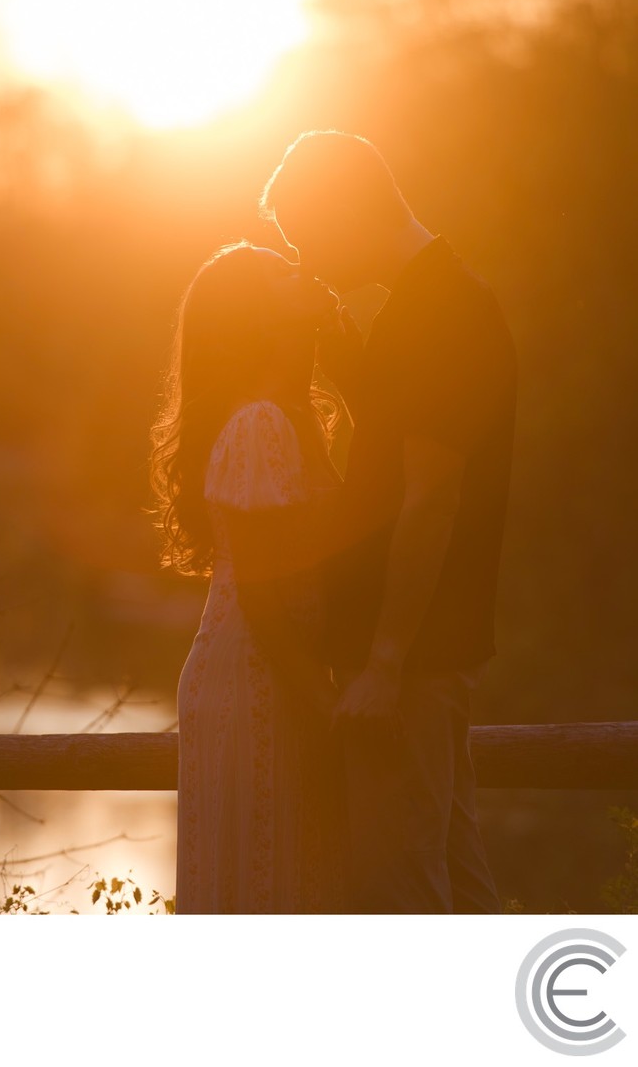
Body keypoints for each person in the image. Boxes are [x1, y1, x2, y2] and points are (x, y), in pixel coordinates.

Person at [258, 129, 517, 913]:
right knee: (452, 877)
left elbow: (429, 498)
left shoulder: (440, 312)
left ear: (347, 212)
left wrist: (384, 661)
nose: (308, 261)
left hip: (407, 662)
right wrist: (341, 353)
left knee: (395, 893)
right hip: (420, 654)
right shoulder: (421, 308)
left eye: (309, 239)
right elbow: (398, 451)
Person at [150, 240, 352, 913]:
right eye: (282, 274)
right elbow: (264, 595)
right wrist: (319, 707)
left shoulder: (295, 415)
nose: (306, 271)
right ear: (257, 315)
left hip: (281, 672)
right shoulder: (258, 423)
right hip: (257, 677)